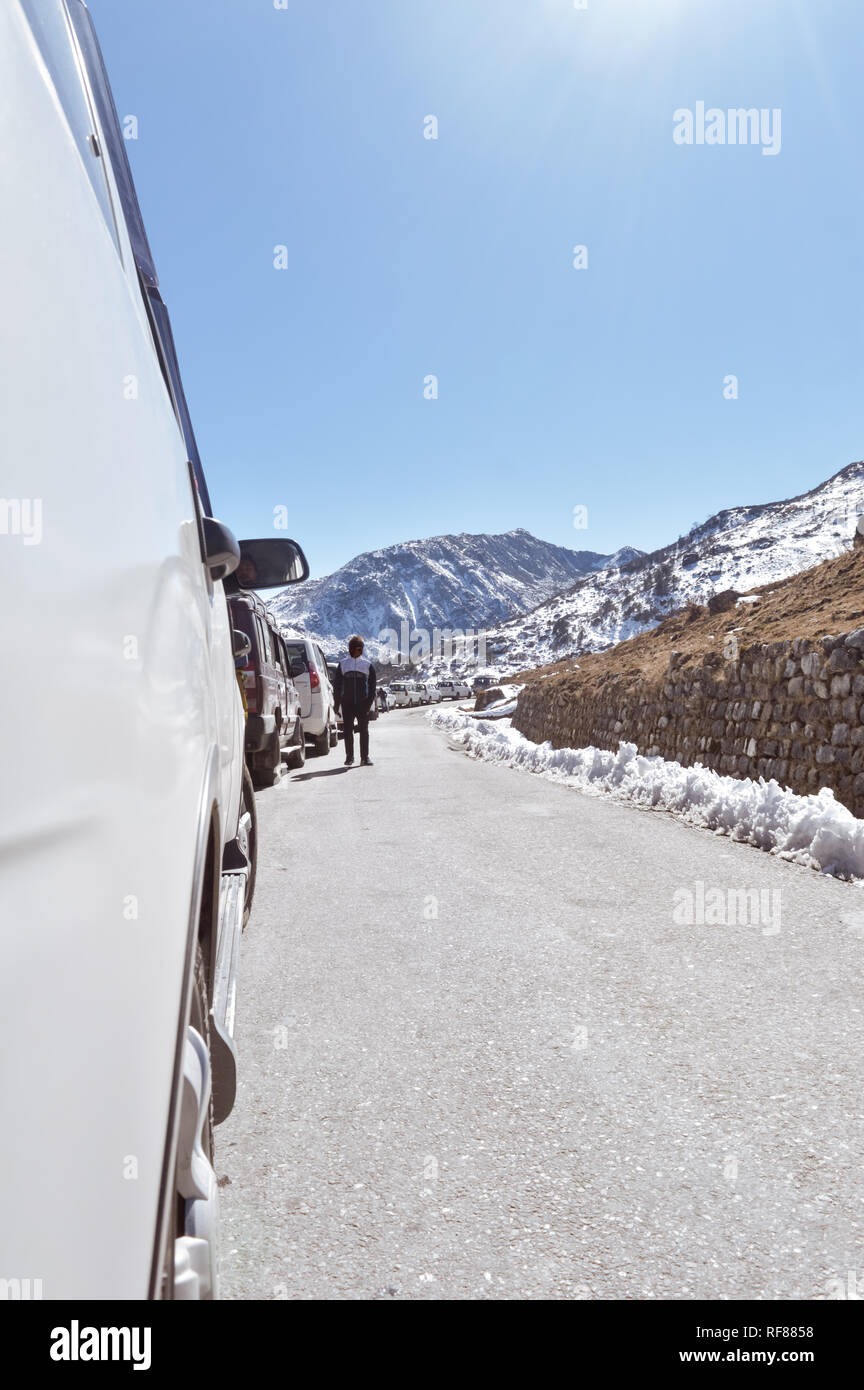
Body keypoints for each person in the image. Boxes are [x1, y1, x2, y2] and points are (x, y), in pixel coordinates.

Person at [333, 635, 377, 766]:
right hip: (347, 704)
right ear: (350, 648)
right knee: (348, 731)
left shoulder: (368, 665)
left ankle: (365, 757)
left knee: (364, 730)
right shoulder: (343, 664)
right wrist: (337, 704)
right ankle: (349, 757)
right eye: (357, 648)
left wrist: (368, 704)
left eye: (360, 648)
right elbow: (337, 686)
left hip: (362, 703)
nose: (359, 650)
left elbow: (373, 687)